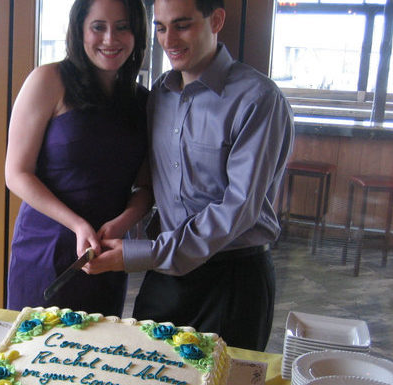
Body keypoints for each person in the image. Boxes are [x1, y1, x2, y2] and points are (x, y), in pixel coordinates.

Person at [85, 0, 294, 351]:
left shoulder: (258, 99)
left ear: (216, 20)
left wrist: (141, 254)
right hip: (164, 275)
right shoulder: (159, 95)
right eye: (161, 28)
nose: (169, 40)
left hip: (233, 277)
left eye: (182, 25)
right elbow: (151, 183)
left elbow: (238, 207)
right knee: (147, 369)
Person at [5, 0, 151, 317]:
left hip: (105, 256)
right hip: (44, 248)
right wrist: (76, 224)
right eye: (98, 27)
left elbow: (145, 189)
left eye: (123, 27)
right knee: (34, 355)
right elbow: (16, 173)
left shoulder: (142, 101)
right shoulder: (48, 80)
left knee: (98, 356)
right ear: (80, 31)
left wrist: (121, 224)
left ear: (137, 33)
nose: (110, 39)